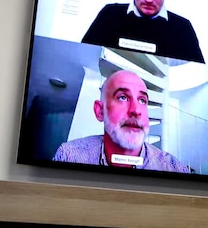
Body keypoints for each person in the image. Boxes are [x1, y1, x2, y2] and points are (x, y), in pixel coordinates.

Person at [53, 70, 192, 173]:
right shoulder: (69, 156)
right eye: (123, 97)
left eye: (142, 100)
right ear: (100, 111)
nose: (136, 110)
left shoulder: (175, 169)